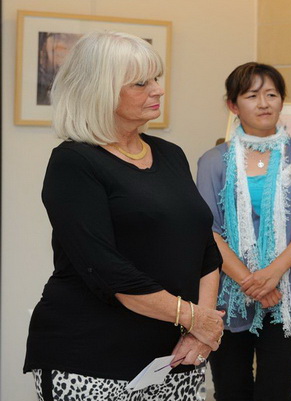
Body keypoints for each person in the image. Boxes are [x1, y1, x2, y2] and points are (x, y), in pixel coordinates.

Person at [24, 31, 224, 401]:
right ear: (101, 91)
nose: (158, 90)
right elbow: (107, 270)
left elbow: (204, 247)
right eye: (141, 83)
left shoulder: (170, 154)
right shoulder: (74, 162)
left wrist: (201, 328)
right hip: (91, 357)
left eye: (157, 78)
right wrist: (196, 318)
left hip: (176, 355)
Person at [197, 62, 291, 401]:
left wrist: (272, 274)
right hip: (227, 297)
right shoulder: (213, 160)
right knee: (231, 391)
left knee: (277, 392)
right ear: (233, 105)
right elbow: (207, 231)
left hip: (289, 293)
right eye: (252, 95)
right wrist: (249, 281)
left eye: (272, 94)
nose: (264, 103)